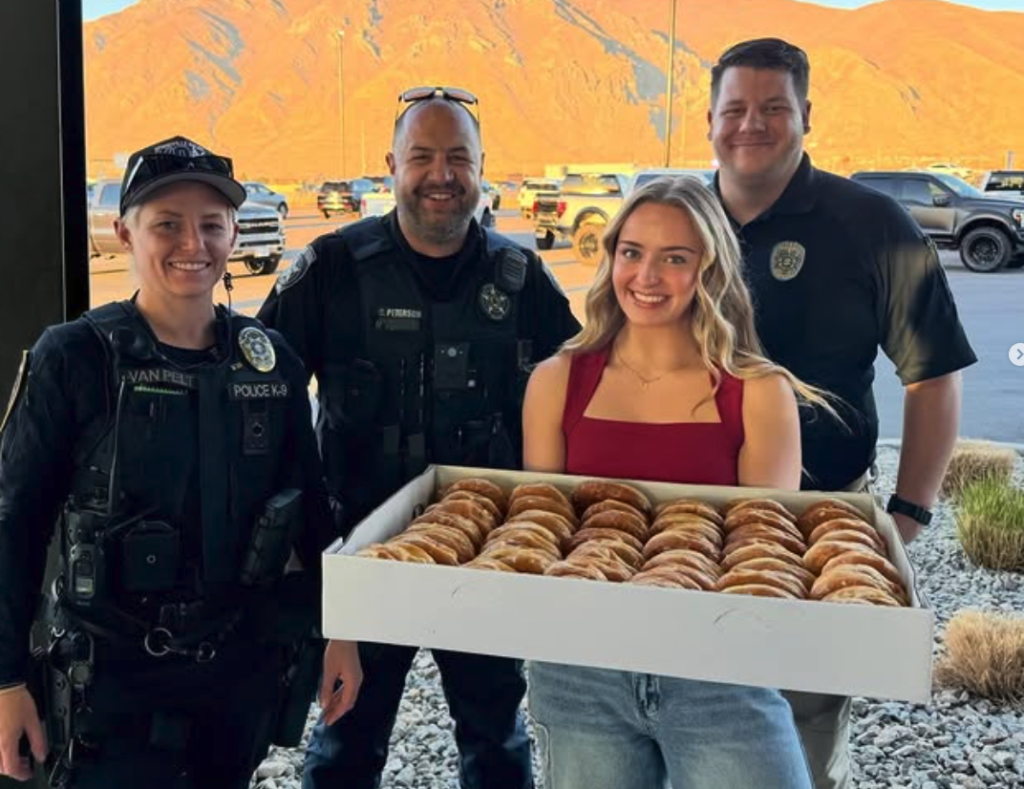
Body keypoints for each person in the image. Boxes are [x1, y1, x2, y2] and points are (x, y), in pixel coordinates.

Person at [0, 136, 361, 789]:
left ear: (233, 234)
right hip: (110, 689)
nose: (193, 243)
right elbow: (13, 523)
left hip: (236, 679)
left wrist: (341, 634)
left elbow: (312, 511)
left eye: (211, 224)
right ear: (123, 233)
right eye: (167, 224)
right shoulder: (73, 358)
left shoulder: (269, 362)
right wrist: (6, 680)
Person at [257, 87, 580, 789]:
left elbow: (583, 393)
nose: (442, 174)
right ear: (391, 166)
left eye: (458, 157)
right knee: (346, 738)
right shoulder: (333, 268)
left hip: (488, 555)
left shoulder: (521, 278)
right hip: (364, 547)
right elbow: (262, 399)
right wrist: (292, 539)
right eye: (423, 156)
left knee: (496, 739)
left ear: (481, 166)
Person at [706, 38, 976, 789]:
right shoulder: (678, 222)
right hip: (687, 514)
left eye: (773, 108)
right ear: (709, 120)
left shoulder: (872, 223)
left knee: (804, 728)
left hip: (818, 516)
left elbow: (933, 377)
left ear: (807, 115)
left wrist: (907, 513)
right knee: (694, 711)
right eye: (735, 108)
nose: (751, 124)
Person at [522, 175, 821, 789]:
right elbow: (543, 536)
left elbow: (761, 556)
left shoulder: (759, 392)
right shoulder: (557, 380)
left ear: (710, 270)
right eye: (632, 252)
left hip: (720, 672)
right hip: (581, 671)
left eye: (675, 258)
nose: (647, 276)